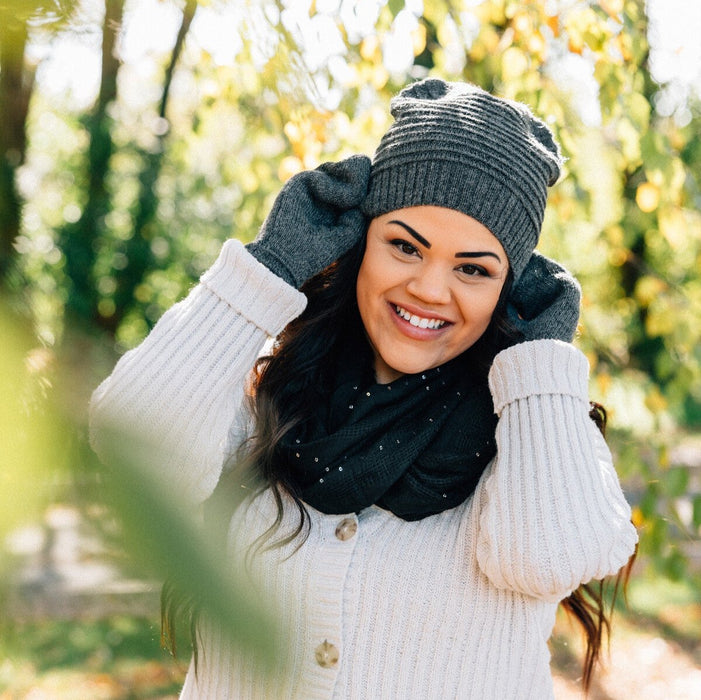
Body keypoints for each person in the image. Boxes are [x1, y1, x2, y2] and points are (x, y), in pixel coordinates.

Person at [90, 78, 638, 699]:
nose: (431, 290)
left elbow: (548, 557)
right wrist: (266, 269)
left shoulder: (539, 431)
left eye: (473, 269)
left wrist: (540, 363)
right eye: (405, 246)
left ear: (508, 289)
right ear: (361, 242)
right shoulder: (268, 388)